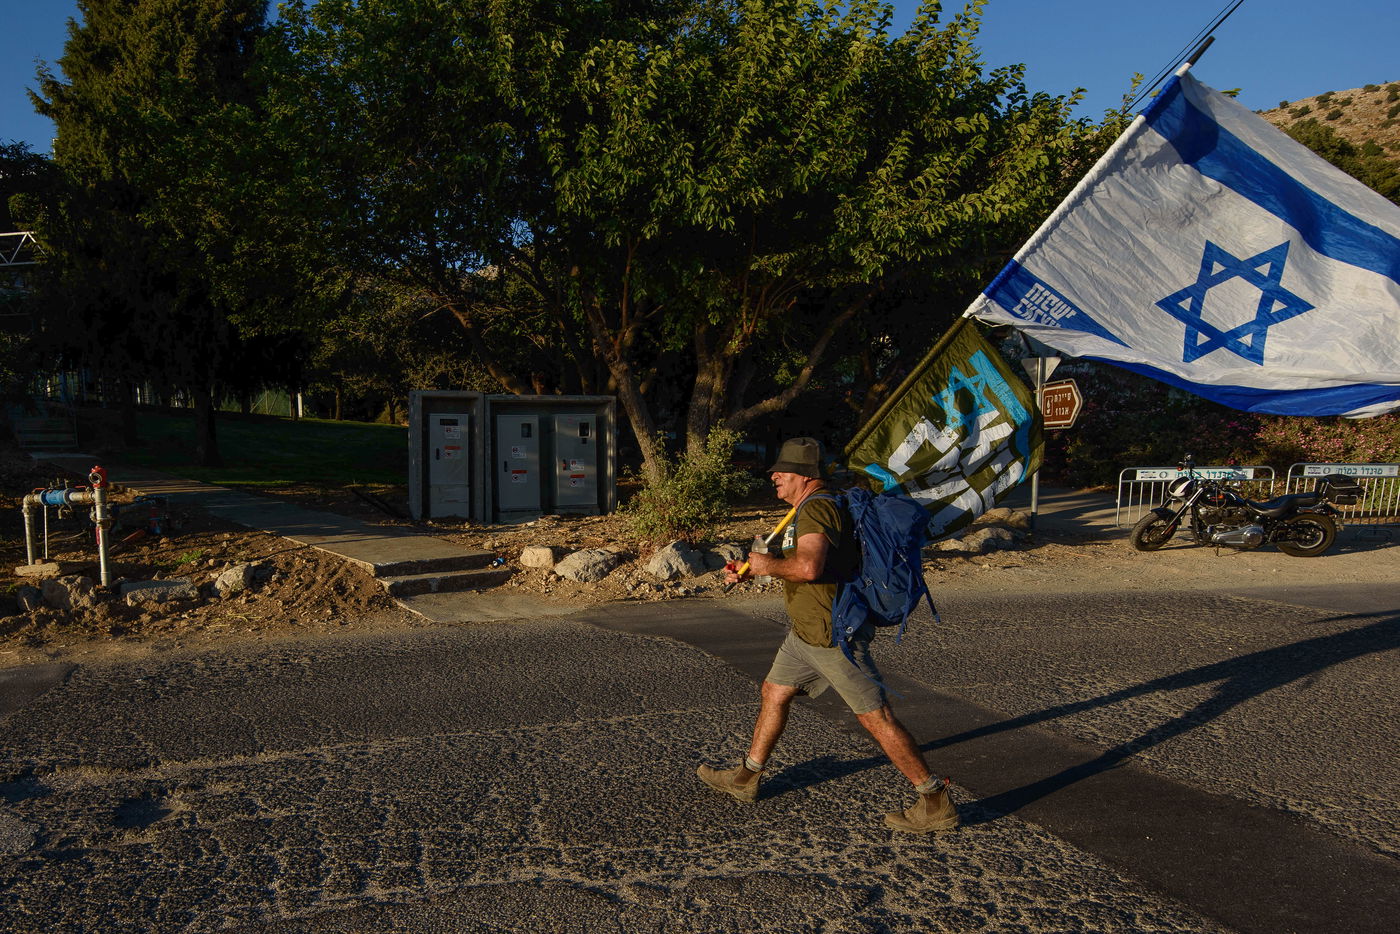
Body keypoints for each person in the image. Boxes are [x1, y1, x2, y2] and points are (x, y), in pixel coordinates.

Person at [697, 437, 958, 833]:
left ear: (804, 475)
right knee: (774, 691)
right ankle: (746, 778)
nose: (774, 477)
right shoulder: (806, 508)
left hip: (833, 636)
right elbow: (800, 562)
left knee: (877, 718)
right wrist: (754, 568)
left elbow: (808, 568)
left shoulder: (817, 510)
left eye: (781, 471)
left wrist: (768, 566)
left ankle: (934, 799)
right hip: (805, 634)